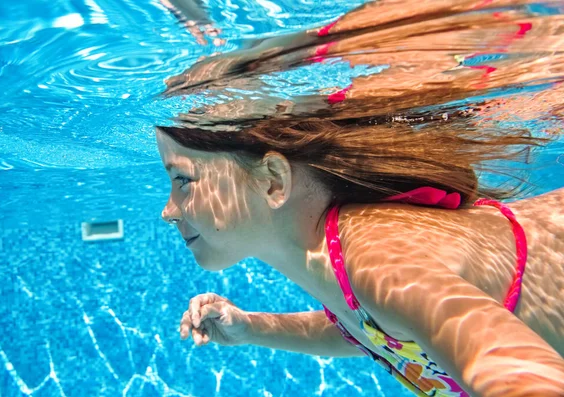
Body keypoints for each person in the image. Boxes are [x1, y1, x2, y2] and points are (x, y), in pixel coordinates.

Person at [156, 1, 564, 396]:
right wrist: (254, 327)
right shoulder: (331, 260)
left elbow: (518, 373)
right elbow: (372, 330)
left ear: (273, 182)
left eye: (183, 180)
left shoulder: (378, 259)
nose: (167, 210)